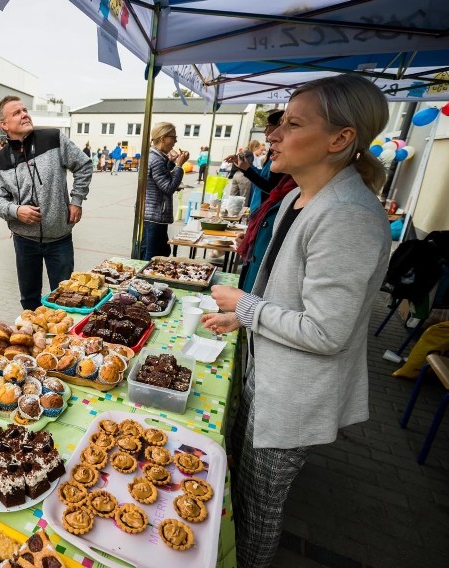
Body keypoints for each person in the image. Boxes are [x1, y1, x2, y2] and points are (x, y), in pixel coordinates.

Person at [200, 74, 392, 568]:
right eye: (278, 123)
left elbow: (328, 331)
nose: (274, 135)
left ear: (340, 138)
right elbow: (282, 291)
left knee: (257, 515)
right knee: (237, 494)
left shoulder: (348, 214)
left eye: (292, 124)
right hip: (263, 377)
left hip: (292, 396)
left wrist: (244, 306)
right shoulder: (295, 196)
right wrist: (243, 320)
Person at [0, 95, 92, 310]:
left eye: (25, 110)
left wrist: (77, 200)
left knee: (65, 297)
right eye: (16, 112)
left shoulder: (53, 139)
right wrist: (16, 211)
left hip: (60, 239)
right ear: (4, 124)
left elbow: (84, 165)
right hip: (24, 241)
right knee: (29, 300)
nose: (25, 114)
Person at [236, 174, 297, 292]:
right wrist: (253, 241)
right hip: (254, 289)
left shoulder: (298, 198)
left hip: (268, 295)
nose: (271, 155)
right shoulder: (286, 191)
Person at [141, 123, 189, 261]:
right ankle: (145, 282)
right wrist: (179, 166)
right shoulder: (156, 160)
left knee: (161, 252)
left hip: (152, 214)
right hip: (154, 216)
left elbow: (162, 178)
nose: (175, 141)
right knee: (152, 257)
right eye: (173, 137)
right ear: (162, 138)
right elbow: (168, 187)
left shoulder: (155, 156)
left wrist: (171, 163)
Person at [227, 111, 286, 214]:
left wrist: (248, 171)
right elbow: (263, 176)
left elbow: (271, 187)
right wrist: (244, 167)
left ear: (280, 126)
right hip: (259, 208)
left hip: (267, 210)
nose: (265, 131)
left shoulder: (283, 155)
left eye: (267, 126)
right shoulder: (272, 152)